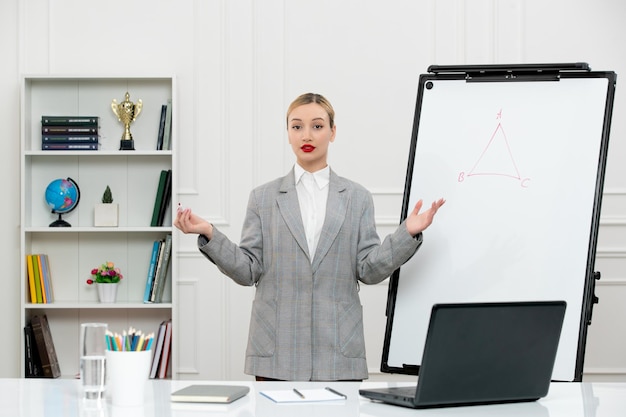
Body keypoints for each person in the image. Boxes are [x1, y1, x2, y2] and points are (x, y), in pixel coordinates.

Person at [174, 93, 445, 381]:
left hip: (339, 349)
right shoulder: (263, 198)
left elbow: (368, 269)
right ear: (288, 133)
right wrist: (209, 233)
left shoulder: (357, 197)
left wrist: (408, 233)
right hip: (276, 349)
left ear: (333, 132)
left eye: (317, 126)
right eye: (297, 126)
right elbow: (247, 270)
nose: (307, 135)